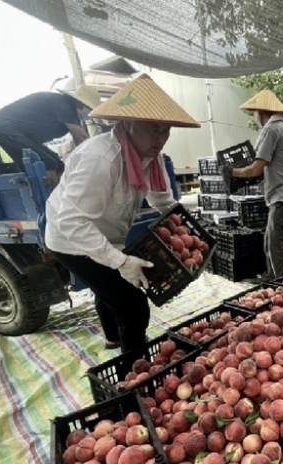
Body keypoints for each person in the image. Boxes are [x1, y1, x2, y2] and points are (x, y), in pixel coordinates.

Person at [44, 75, 200, 353]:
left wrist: (189, 231)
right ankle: (134, 374)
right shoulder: (102, 159)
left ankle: (113, 339)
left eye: (165, 130)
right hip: (71, 240)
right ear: (128, 124)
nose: (160, 138)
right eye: (153, 129)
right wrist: (120, 261)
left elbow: (162, 199)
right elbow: (72, 221)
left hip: (106, 233)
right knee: (132, 305)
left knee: (108, 290)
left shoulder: (151, 159)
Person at [222, 89, 283, 280]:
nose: (255, 116)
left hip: (282, 196)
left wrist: (232, 172)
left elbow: (256, 169)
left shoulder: (271, 129)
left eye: (255, 112)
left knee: (275, 244)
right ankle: (271, 277)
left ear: (261, 111)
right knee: (270, 240)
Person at [0, 85, 100, 183]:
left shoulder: (69, 112)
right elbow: (82, 138)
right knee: (47, 163)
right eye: (90, 109)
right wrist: (99, 161)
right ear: (81, 103)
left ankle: (59, 196)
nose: (90, 114)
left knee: (58, 164)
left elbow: (79, 143)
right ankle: (54, 201)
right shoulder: (63, 104)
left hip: (19, 133)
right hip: (4, 127)